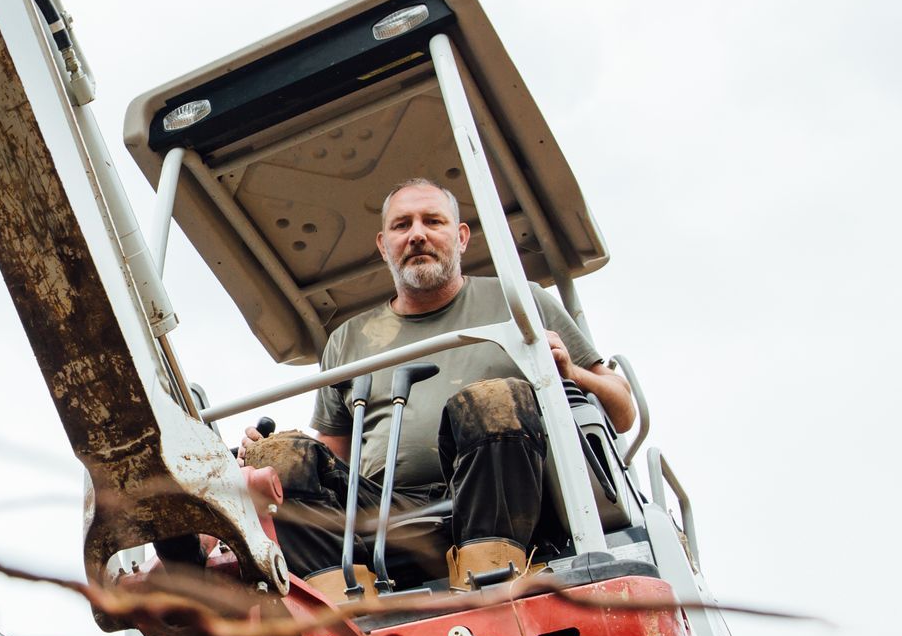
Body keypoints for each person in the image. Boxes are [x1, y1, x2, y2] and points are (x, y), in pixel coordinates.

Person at [239, 178, 635, 585]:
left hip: (506, 501)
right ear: (383, 245)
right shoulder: (348, 340)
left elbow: (623, 410)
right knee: (278, 455)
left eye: (433, 221)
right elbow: (331, 453)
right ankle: (340, 608)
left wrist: (573, 373)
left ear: (461, 237)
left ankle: (490, 578)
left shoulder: (521, 302)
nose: (417, 235)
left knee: (492, 400)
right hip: (387, 515)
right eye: (402, 225)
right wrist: (267, 455)